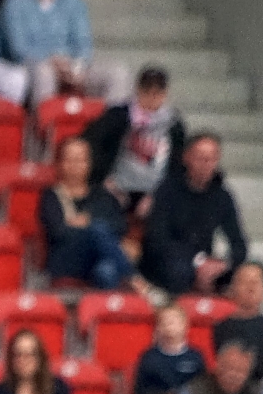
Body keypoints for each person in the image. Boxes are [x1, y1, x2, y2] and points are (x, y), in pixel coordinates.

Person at [1, 0, 131, 107]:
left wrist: (74, 67)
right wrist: (52, 61)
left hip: (71, 66)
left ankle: (107, 129)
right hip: (34, 66)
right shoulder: (16, 1)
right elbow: (18, 49)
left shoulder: (73, 1)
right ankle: (45, 129)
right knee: (45, 72)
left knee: (118, 73)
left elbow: (84, 44)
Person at [141, 133, 249, 297]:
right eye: (200, 158)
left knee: (246, 275)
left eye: (212, 158)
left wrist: (224, 264)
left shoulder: (222, 196)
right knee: (179, 271)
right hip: (166, 260)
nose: (206, 164)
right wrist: (198, 262)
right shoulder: (167, 190)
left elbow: (238, 242)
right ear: (187, 158)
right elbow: (157, 238)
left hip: (206, 261)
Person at [84, 64, 184, 213]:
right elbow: (94, 146)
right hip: (115, 186)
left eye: (157, 92)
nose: (151, 97)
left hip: (156, 192)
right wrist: (104, 182)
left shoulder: (174, 125)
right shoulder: (117, 115)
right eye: (146, 91)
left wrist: (157, 196)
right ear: (137, 90)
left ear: (165, 93)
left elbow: (177, 164)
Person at [41, 136, 134, 292]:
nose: (75, 165)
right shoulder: (51, 196)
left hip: (100, 258)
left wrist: (86, 224)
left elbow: (120, 226)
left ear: (89, 163)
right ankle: (136, 280)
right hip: (68, 260)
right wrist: (93, 228)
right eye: (69, 160)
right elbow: (58, 231)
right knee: (98, 228)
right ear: (59, 163)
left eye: (80, 160)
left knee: (106, 271)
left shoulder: (103, 196)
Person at [134, 302, 205, 394]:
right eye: (164, 322)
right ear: (157, 328)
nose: (169, 326)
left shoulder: (195, 356)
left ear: (185, 325)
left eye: (173, 322)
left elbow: (203, 389)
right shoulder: (148, 357)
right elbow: (140, 391)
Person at [215, 261, 263, 376]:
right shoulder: (218, 326)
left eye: (256, 282)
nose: (251, 288)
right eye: (245, 282)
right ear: (233, 287)